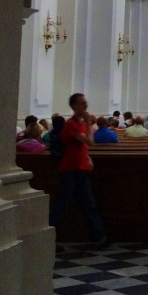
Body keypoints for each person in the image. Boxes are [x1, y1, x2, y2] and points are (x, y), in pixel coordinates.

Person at [48, 93, 108, 249]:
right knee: (62, 207)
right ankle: (47, 238)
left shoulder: (80, 124)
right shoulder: (71, 125)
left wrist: (87, 157)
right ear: (74, 106)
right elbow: (89, 141)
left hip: (81, 170)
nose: (85, 105)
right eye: (82, 103)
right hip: (70, 171)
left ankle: (100, 236)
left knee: (89, 205)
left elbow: (83, 146)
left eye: (85, 102)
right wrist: (89, 122)